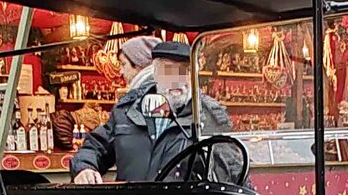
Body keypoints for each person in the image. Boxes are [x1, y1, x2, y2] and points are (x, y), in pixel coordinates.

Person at [71, 40, 240, 184]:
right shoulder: (129, 110)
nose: (177, 79)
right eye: (168, 71)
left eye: (185, 71)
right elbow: (96, 146)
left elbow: (232, 175)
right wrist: (85, 168)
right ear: (156, 74)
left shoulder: (209, 117)